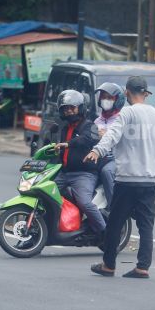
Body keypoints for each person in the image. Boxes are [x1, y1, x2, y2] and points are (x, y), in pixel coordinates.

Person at [85, 76, 155, 279]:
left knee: (115, 223)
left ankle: (108, 265)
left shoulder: (127, 112)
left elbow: (111, 135)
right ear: (146, 94)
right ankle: (143, 267)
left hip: (128, 179)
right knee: (146, 225)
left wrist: (97, 151)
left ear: (127, 92)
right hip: (150, 179)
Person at [53, 90, 106, 236]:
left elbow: (86, 140)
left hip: (84, 174)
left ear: (81, 108)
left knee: (85, 203)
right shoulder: (65, 129)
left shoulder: (91, 126)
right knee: (45, 193)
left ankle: (106, 233)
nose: (69, 111)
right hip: (64, 173)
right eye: (65, 108)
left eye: (72, 107)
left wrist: (67, 144)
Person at [94, 83, 126, 205]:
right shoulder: (97, 121)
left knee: (107, 172)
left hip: (116, 158)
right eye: (103, 97)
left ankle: (115, 207)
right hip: (100, 157)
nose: (105, 100)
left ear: (118, 100)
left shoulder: (122, 119)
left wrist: (107, 136)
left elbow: (124, 140)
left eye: (109, 98)